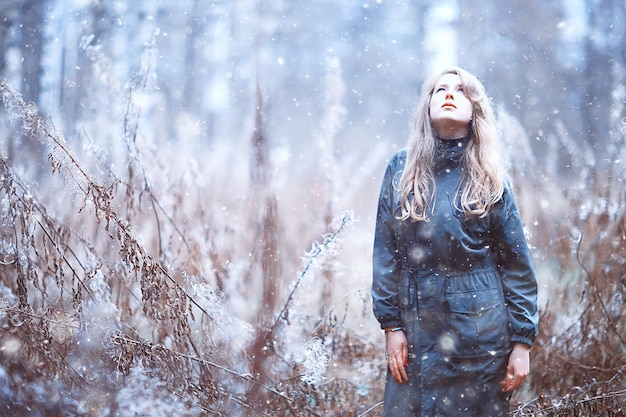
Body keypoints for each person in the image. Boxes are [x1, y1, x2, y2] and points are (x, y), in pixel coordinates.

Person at [371, 66, 538, 417]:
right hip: (415, 335)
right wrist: (391, 326)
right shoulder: (400, 169)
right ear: (427, 107)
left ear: (475, 109)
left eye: (460, 90)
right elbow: (386, 255)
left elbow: (516, 266)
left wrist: (522, 343)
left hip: (479, 338)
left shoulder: (491, 177)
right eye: (440, 89)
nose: (449, 94)